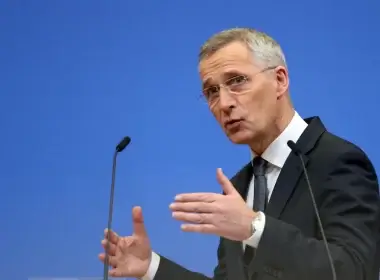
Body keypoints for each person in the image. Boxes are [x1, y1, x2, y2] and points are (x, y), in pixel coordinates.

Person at [98, 28, 380, 280]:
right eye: (211, 91)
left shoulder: (336, 160)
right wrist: (151, 267)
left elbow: (355, 271)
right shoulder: (238, 187)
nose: (223, 103)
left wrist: (254, 227)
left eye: (237, 81)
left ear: (280, 80)